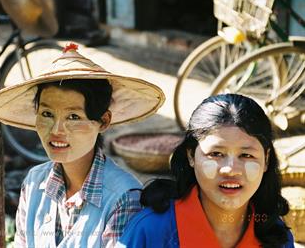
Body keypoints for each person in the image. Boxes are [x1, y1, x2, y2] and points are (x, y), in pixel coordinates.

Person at [0, 43, 165, 247]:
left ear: (103, 121)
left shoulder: (124, 197)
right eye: (47, 114)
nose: (56, 130)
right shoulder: (34, 183)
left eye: (73, 116)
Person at [117, 94, 294, 248]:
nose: (230, 169)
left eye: (246, 155)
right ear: (191, 156)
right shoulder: (151, 231)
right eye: (216, 154)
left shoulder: (276, 236)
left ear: (267, 160)